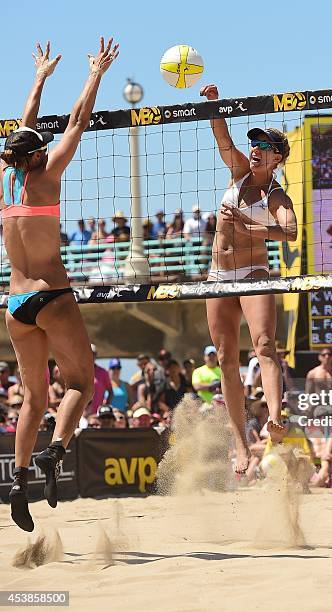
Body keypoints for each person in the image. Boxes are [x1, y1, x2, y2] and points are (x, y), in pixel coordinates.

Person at [0, 38, 119, 531]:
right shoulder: (47, 176)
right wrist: (95, 74)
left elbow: (22, 128)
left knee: (32, 397)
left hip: (15, 302)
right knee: (79, 382)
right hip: (51, 293)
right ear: (36, 157)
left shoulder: (6, 178)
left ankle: (20, 479)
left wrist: (40, 78)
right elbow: (75, 122)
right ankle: (55, 452)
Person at [200, 83, 297, 473]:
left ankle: (275, 415)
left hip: (253, 273)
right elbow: (222, 137)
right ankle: (240, 446)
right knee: (225, 358)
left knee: (265, 346)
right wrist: (212, 104)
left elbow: (290, 232)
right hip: (218, 275)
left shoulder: (277, 196)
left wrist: (246, 225)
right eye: (254, 142)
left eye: (264, 145)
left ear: (278, 158)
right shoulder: (239, 172)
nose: (255, 147)